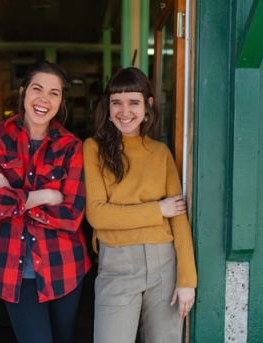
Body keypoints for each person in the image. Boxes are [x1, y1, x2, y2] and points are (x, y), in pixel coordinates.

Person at [0, 61, 91, 343]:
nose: (44, 100)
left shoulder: (71, 146)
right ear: (23, 91)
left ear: (61, 102)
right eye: (37, 89)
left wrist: (9, 190)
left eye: (54, 93)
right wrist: (43, 196)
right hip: (13, 268)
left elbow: (71, 214)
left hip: (65, 267)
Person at [83, 67, 197, 343]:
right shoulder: (93, 148)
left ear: (148, 106)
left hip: (164, 267)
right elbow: (98, 215)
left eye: (133, 102)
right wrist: (158, 209)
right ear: (108, 107)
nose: (124, 111)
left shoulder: (160, 152)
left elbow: (179, 220)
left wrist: (187, 280)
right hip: (117, 265)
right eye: (116, 103)